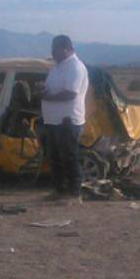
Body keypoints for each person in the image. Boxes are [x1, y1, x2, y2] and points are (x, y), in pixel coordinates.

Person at [41, 35, 90, 202]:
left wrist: (48, 98)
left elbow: (70, 93)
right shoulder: (57, 67)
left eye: (55, 49)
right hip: (52, 120)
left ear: (66, 49)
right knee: (54, 157)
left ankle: (74, 194)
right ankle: (59, 191)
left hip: (67, 121)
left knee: (69, 157)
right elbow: (52, 88)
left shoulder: (75, 67)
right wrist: (42, 92)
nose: (52, 52)